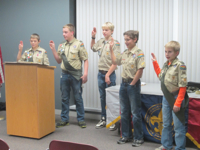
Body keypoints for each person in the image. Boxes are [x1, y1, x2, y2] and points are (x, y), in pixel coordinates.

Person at [109, 30, 145, 147]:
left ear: (135, 39)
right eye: (125, 39)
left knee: (135, 113)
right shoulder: (125, 52)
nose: (125, 42)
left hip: (132, 84)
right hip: (123, 84)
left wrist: (132, 83)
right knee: (124, 112)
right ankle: (126, 135)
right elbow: (115, 61)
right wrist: (111, 49)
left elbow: (140, 70)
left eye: (128, 39)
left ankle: (138, 137)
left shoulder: (139, 53)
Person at [49, 24, 88, 128]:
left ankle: (81, 119)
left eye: (65, 32)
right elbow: (58, 61)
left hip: (76, 75)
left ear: (72, 32)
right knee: (64, 98)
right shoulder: (61, 45)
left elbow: (85, 59)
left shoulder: (79, 44)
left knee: (78, 98)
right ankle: (64, 119)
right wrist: (53, 49)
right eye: (63, 32)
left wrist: (85, 74)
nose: (63, 34)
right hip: (65, 74)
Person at [151, 41, 188, 150]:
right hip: (166, 97)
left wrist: (178, 102)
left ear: (176, 53)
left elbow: (183, 85)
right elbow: (161, 77)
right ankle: (166, 145)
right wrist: (155, 63)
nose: (167, 54)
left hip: (176, 98)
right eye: (166, 52)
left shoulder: (180, 65)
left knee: (178, 126)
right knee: (166, 124)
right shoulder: (166, 64)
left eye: (170, 52)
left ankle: (180, 148)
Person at [90, 22, 120, 130]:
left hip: (109, 74)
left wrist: (107, 75)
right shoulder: (101, 42)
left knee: (111, 98)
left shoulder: (115, 43)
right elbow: (93, 48)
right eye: (103, 30)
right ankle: (103, 118)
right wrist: (93, 36)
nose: (104, 32)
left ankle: (112, 120)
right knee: (102, 97)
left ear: (111, 31)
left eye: (106, 30)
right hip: (100, 73)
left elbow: (115, 62)